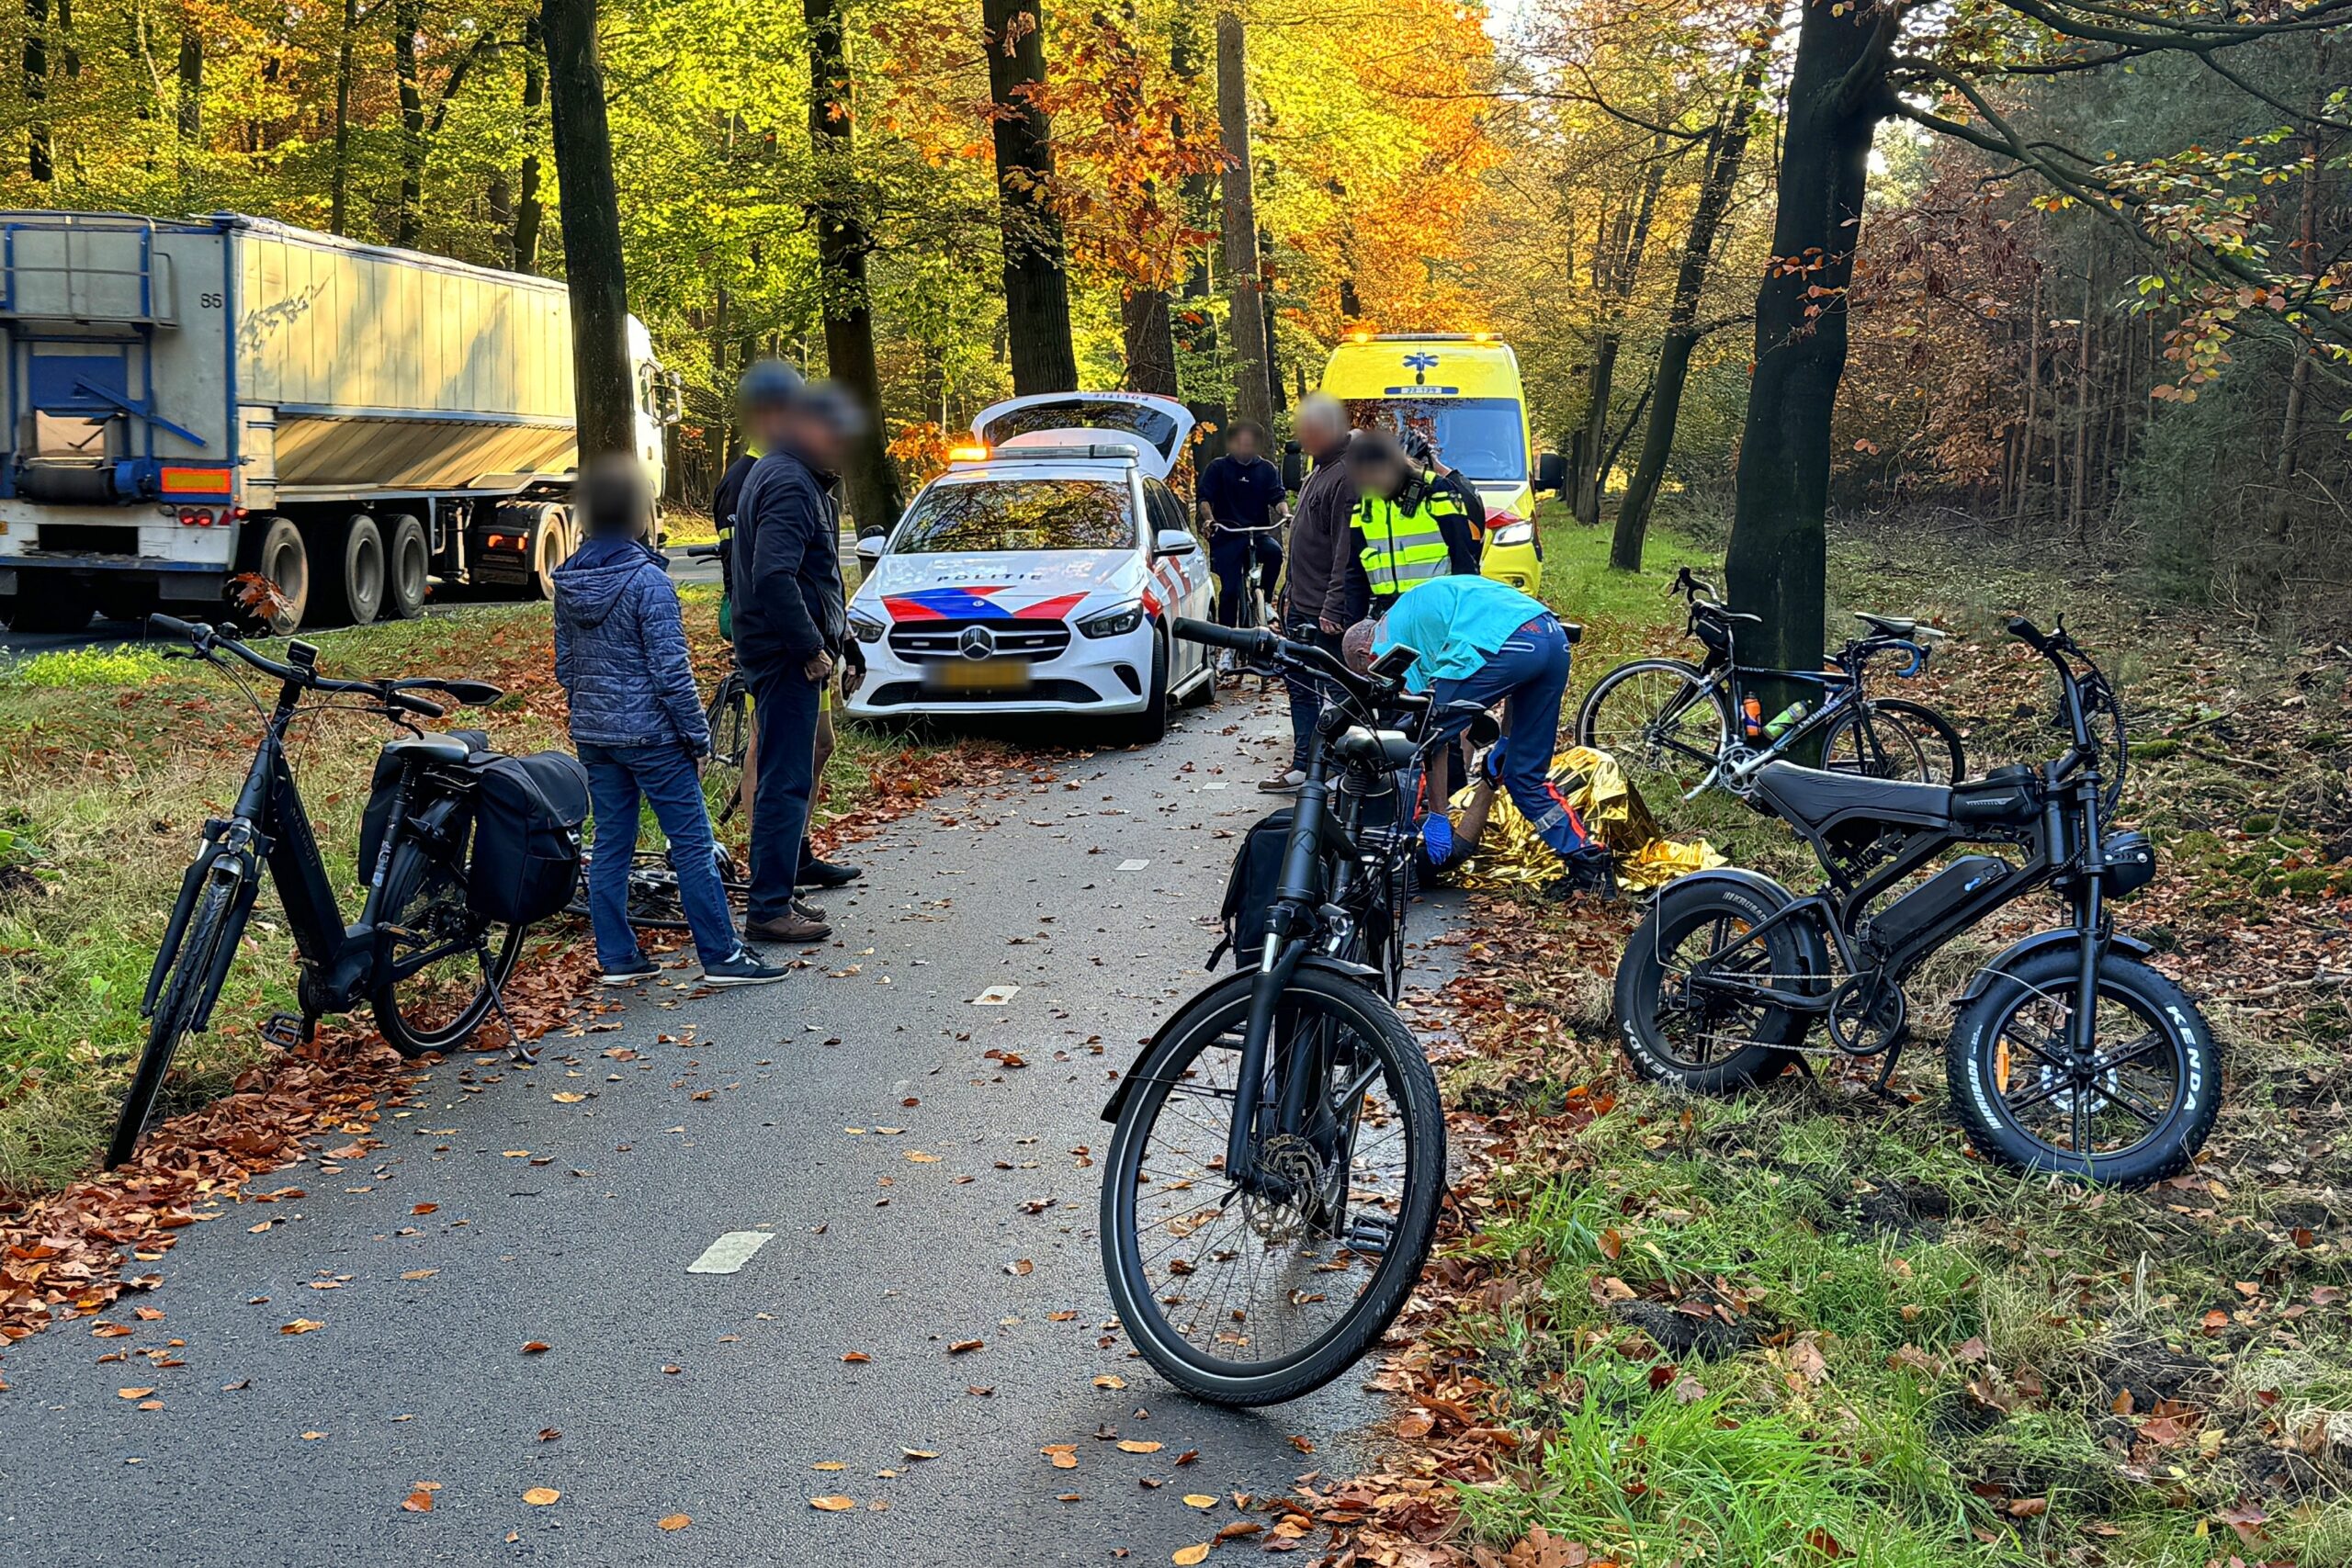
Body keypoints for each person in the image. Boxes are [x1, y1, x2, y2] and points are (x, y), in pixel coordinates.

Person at [551, 455, 788, 987]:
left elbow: (566, 666)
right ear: (639, 513)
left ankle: (616, 956)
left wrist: (592, 712)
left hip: (595, 734)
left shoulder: (567, 581)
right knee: (691, 842)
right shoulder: (648, 583)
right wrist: (697, 737)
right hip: (654, 735)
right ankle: (723, 956)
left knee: (612, 843)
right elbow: (671, 673)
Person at [1345, 574, 1614, 899]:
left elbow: (1431, 733)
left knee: (1419, 734)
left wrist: (1439, 817)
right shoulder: (1415, 609)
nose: (1381, 679)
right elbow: (1518, 681)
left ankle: (1402, 849)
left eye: (1369, 672)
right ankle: (1589, 864)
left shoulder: (1387, 643)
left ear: (1364, 652)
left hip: (1507, 644)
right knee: (1524, 776)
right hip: (1550, 638)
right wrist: (1505, 740)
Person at [730, 378, 864, 944]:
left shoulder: (795, 474)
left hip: (788, 647)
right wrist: (811, 648)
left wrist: (846, 637)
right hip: (785, 655)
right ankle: (767, 908)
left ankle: (781, 889)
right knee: (785, 779)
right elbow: (774, 576)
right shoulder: (788, 482)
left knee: (794, 767)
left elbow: (816, 576)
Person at [1263, 393, 1355, 793]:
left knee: (1338, 689)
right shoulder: (1317, 471)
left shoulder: (1345, 477)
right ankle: (1304, 764)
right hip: (1300, 602)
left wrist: (1334, 604)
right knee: (1300, 684)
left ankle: (1340, 767)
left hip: (1324, 609)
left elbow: (1345, 550)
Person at [1340, 430, 1484, 624]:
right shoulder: (1365, 504)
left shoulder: (1436, 491)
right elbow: (1355, 572)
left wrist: (1466, 618)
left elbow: (1463, 558)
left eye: (1376, 473)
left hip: (1437, 611)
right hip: (1387, 614)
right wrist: (1354, 626)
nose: (1373, 483)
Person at [1195, 421, 1288, 649]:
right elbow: (1205, 499)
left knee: (1275, 553)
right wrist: (1210, 519)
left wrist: (1286, 514)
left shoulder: (1266, 469)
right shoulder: (1218, 468)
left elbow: (1277, 497)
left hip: (1256, 534)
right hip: (1228, 535)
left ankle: (1264, 601)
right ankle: (1227, 646)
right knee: (1229, 592)